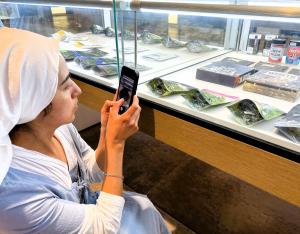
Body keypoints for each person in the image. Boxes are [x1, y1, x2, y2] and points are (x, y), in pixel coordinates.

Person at [0, 27, 170, 234]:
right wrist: (116, 144)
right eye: (64, 86)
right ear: (32, 99)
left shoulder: (60, 128)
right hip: (98, 224)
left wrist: (107, 134)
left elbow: (89, 174)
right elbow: (104, 228)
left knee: (145, 209)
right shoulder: (15, 197)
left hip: (88, 211)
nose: (77, 90)